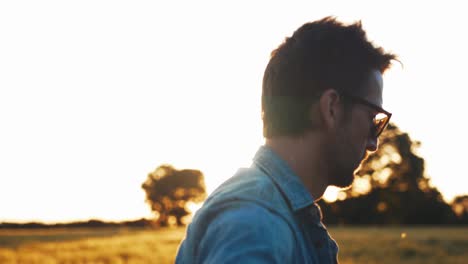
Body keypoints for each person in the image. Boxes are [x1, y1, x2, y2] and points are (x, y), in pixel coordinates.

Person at [176, 16, 397, 263]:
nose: (373, 143)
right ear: (332, 108)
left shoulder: (271, 214)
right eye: (373, 120)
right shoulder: (256, 225)